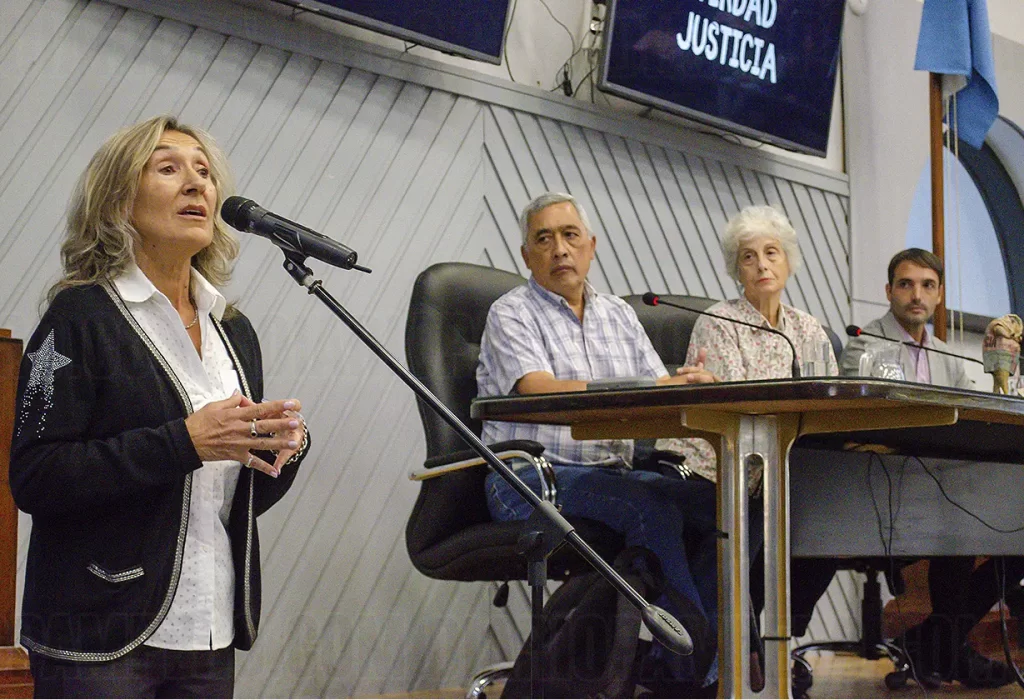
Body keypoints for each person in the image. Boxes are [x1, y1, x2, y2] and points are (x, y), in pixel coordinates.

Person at [9, 116, 311, 698]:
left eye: (204, 172)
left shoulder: (233, 331)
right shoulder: (79, 318)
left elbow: (228, 499)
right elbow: (36, 476)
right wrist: (185, 442)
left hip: (210, 627)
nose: (196, 183)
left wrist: (279, 449)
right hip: (100, 631)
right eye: (168, 168)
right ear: (118, 200)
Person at [477, 191, 726, 690]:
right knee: (649, 509)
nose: (559, 249)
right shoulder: (511, 313)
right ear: (526, 256)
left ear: (591, 246)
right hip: (530, 480)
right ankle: (696, 672)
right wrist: (637, 390)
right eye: (544, 239)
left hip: (612, 476)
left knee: (728, 507)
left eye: (570, 236)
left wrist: (688, 385)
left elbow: (658, 390)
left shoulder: (619, 314)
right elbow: (537, 388)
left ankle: (699, 651)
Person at [653, 204, 840, 646]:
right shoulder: (720, 323)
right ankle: (728, 652)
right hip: (709, 471)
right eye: (748, 257)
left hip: (776, 476)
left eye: (771, 253)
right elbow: (735, 407)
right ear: (737, 269)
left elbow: (830, 403)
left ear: (789, 260)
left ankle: (768, 643)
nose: (761, 265)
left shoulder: (808, 329)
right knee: (756, 517)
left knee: (831, 522)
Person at [841, 248, 1020, 688]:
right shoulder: (864, 344)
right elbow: (857, 424)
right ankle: (944, 649)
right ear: (889, 291)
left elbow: (968, 418)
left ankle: (934, 644)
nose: (916, 295)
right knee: (959, 535)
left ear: (939, 295)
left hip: (942, 487)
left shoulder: (948, 356)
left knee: (1014, 534)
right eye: (906, 284)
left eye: (927, 286)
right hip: (883, 490)